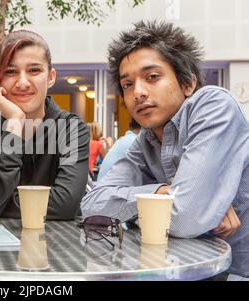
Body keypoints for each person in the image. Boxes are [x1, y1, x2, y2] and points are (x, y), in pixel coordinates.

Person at [81, 21, 248, 278]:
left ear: (188, 84)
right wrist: (161, 193)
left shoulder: (213, 106)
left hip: (237, 271)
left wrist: (185, 207)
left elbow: (184, 218)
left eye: (152, 77)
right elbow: (92, 206)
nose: (138, 92)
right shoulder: (145, 143)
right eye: (127, 84)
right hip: (188, 270)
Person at [0, 30, 89, 220]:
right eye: (11, 72)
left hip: (60, 245)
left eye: (34, 70)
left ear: (51, 77)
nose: (22, 83)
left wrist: (2, 204)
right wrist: (14, 122)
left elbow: (66, 205)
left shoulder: (71, 128)